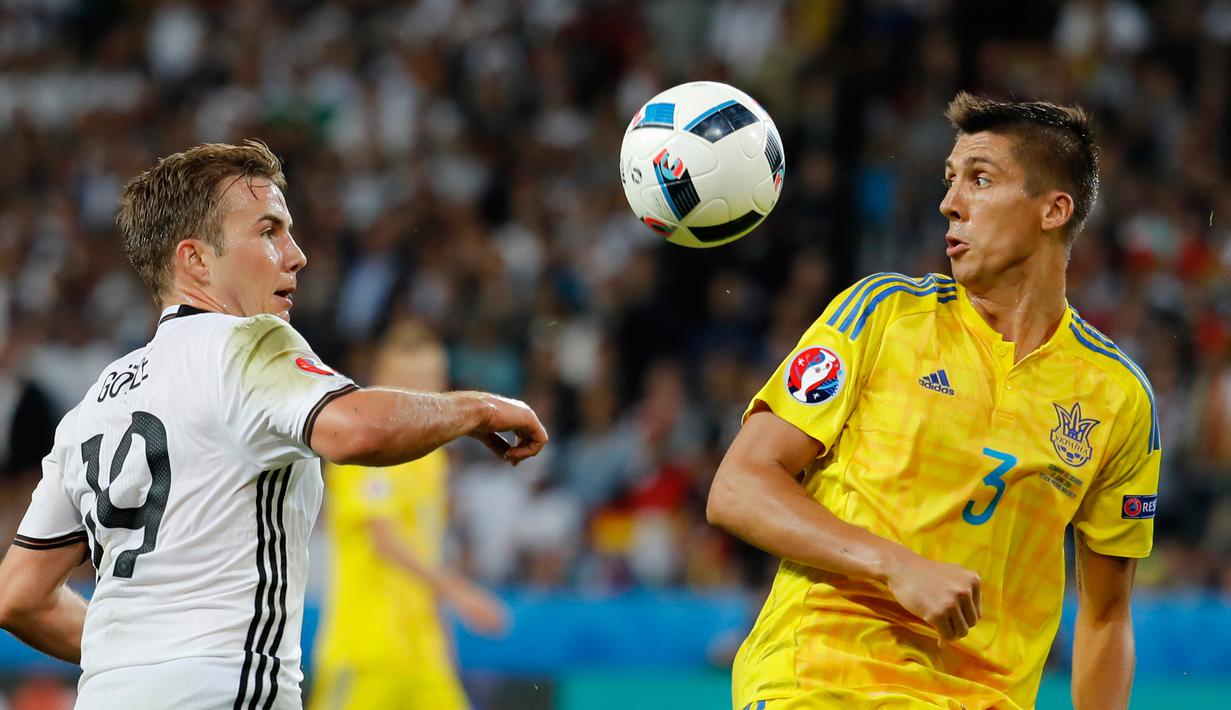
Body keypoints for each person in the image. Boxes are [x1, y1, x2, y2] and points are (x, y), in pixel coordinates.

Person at [0, 141, 547, 710]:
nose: (297, 255)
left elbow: (17, 596)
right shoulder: (245, 342)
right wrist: (479, 408)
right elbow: (353, 429)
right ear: (196, 260)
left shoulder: (94, 404)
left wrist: (143, 663)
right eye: (269, 231)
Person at [707, 93, 1158, 710]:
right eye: (950, 180)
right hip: (823, 680)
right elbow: (737, 487)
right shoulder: (883, 315)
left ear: (1054, 210)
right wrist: (894, 564)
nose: (950, 202)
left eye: (980, 179)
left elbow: (1106, 617)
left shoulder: (1117, 395)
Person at [311, 320, 509, 710]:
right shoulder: (361, 447)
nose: (422, 394)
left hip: (424, 655)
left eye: (430, 381)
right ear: (381, 383)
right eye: (408, 382)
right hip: (367, 651)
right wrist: (460, 593)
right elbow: (383, 539)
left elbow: (427, 549)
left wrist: (444, 638)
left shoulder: (432, 460)